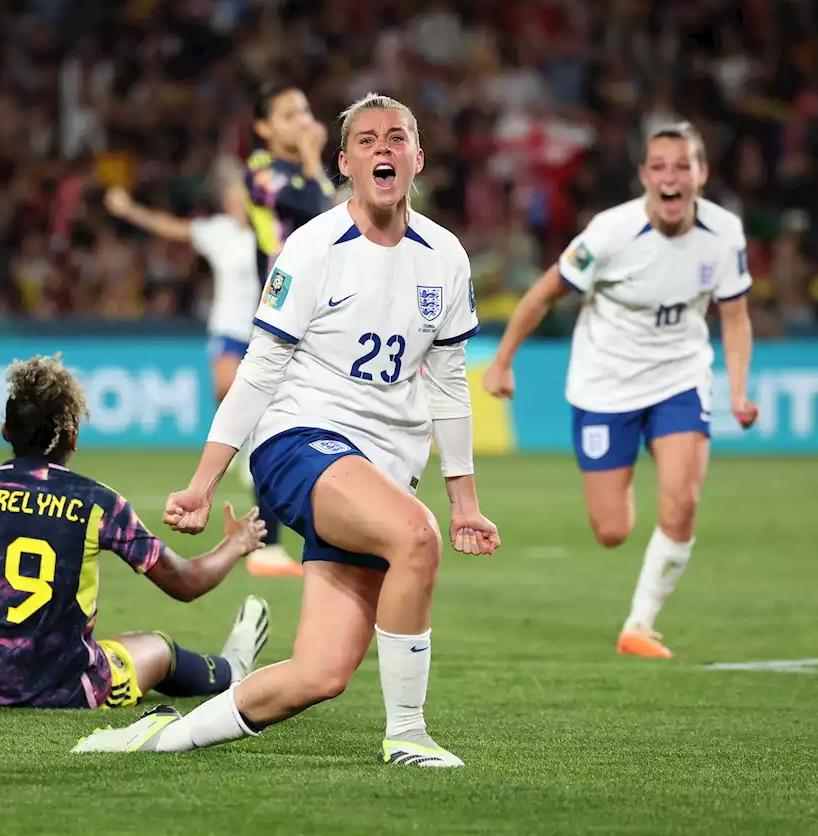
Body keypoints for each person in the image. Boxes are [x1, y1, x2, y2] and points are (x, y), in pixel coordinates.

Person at [72, 94, 500, 766]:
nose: (382, 149)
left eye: (397, 138)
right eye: (366, 140)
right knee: (416, 536)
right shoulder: (313, 246)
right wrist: (202, 484)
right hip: (301, 440)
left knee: (319, 675)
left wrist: (466, 500)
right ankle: (408, 735)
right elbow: (259, 372)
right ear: (344, 164)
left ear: (418, 157)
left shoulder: (444, 256)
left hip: (381, 470)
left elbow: (448, 384)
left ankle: (155, 739)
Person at [482, 123, 758, 660]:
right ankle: (624, 483)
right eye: (660, 166)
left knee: (682, 503)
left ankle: (640, 625)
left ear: (701, 174)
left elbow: (737, 316)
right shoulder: (610, 233)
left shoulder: (725, 234)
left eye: (683, 166)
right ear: (644, 177)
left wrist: (739, 391)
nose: (671, 177)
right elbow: (544, 293)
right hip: (605, 385)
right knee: (612, 530)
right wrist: (502, 361)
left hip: (679, 379)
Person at [0, 353, 272, 708]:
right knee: (158, 648)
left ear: (5, 431)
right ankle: (231, 671)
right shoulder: (96, 504)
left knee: (109, 645)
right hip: (64, 688)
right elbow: (186, 583)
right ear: (73, 436)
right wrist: (235, 543)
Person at [103, 157, 260, 487]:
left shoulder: (270, 235)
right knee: (225, 389)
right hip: (229, 325)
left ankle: (254, 450)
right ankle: (245, 447)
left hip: (262, 329)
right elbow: (172, 228)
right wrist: (130, 209)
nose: (236, 204)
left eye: (241, 196)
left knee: (255, 394)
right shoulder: (219, 232)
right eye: (231, 197)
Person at [239, 82, 338, 578]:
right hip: (283, 309)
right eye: (288, 114)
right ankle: (265, 543)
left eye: (305, 110)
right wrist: (313, 158)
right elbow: (321, 211)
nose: (303, 120)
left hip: (325, 308)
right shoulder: (263, 172)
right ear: (264, 128)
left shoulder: (306, 171)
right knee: (274, 419)